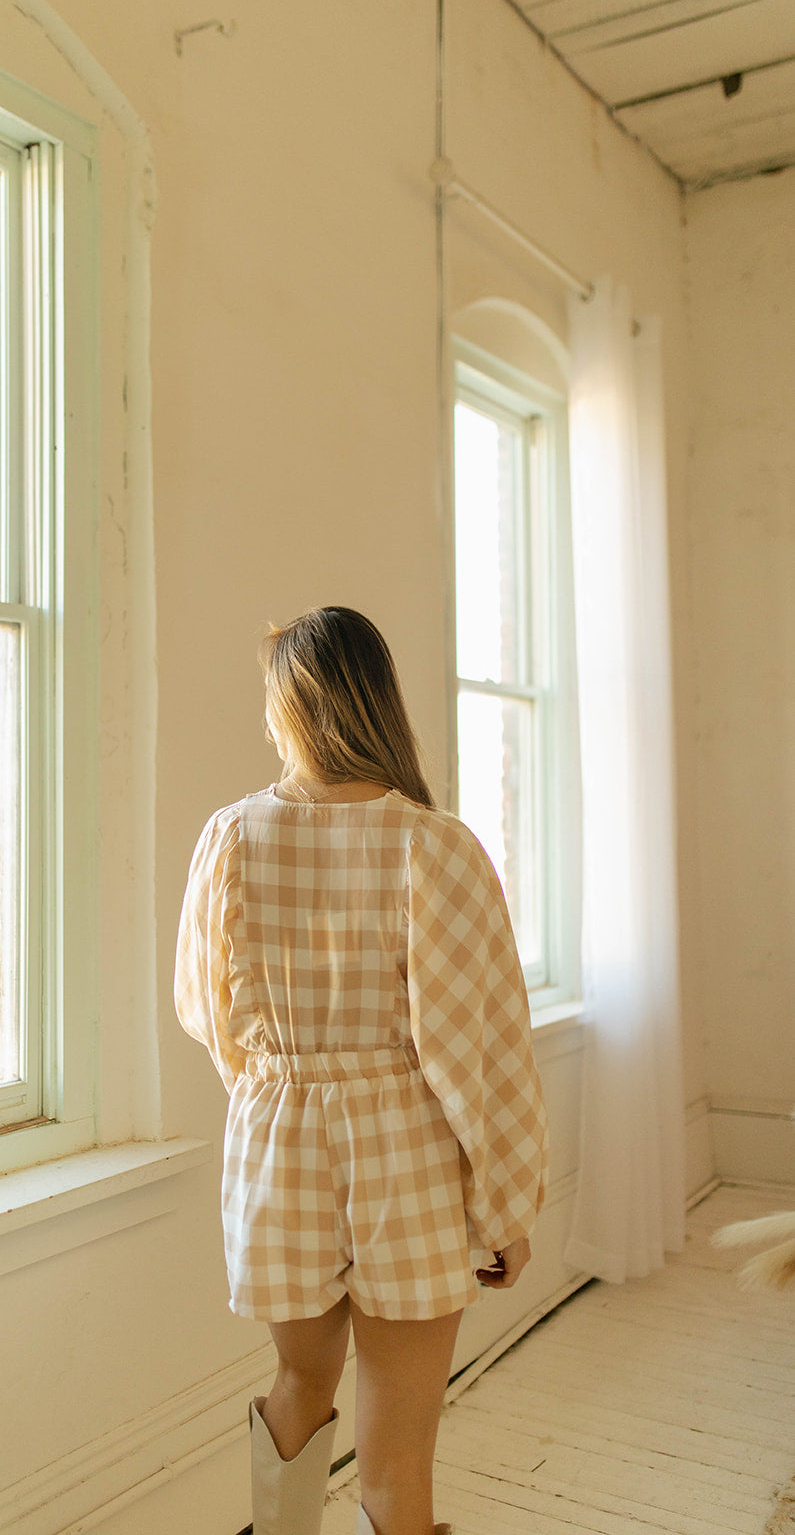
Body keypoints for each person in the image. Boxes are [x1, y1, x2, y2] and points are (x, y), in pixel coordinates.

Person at [174, 606, 548, 1535]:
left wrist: (278, 1091)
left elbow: (204, 1012)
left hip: (277, 1137)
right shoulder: (433, 844)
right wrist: (504, 1202)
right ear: (376, 699)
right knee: (398, 1451)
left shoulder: (229, 838)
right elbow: (478, 1046)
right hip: (406, 1149)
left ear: (292, 706)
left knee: (299, 1379)